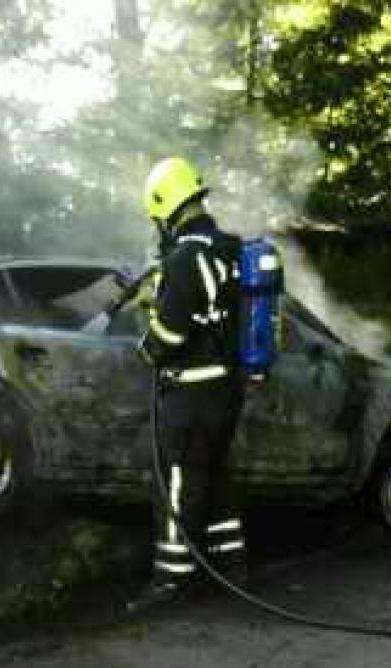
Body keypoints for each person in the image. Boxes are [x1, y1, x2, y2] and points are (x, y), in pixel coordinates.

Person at [127, 157, 247, 613]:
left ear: (166, 207)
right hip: (227, 389)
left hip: (192, 394)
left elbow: (170, 336)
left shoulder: (183, 259)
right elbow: (212, 312)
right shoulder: (230, 248)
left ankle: (173, 581)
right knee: (217, 476)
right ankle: (229, 567)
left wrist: (147, 342)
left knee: (178, 483)